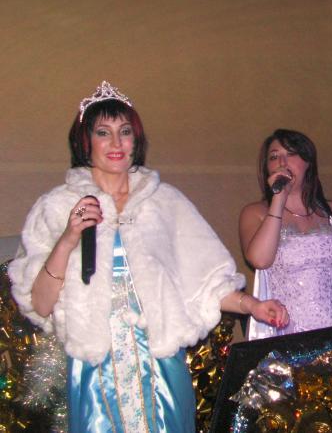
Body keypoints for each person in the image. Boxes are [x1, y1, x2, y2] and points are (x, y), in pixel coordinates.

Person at [8, 81, 288, 433]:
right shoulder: (57, 205)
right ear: (85, 142)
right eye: (103, 132)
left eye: (125, 132)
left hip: (160, 364)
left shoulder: (165, 202)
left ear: (135, 141)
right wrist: (68, 239)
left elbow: (207, 282)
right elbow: (40, 303)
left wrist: (253, 306)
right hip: (95, 371)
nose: (116, 143)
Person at [239, 128, 332, 339]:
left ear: (308, 162)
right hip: (285, 329)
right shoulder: (255, 213)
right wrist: (278, 199)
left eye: (291, 153)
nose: (282, 162)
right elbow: (260, 260)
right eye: (274, 157)